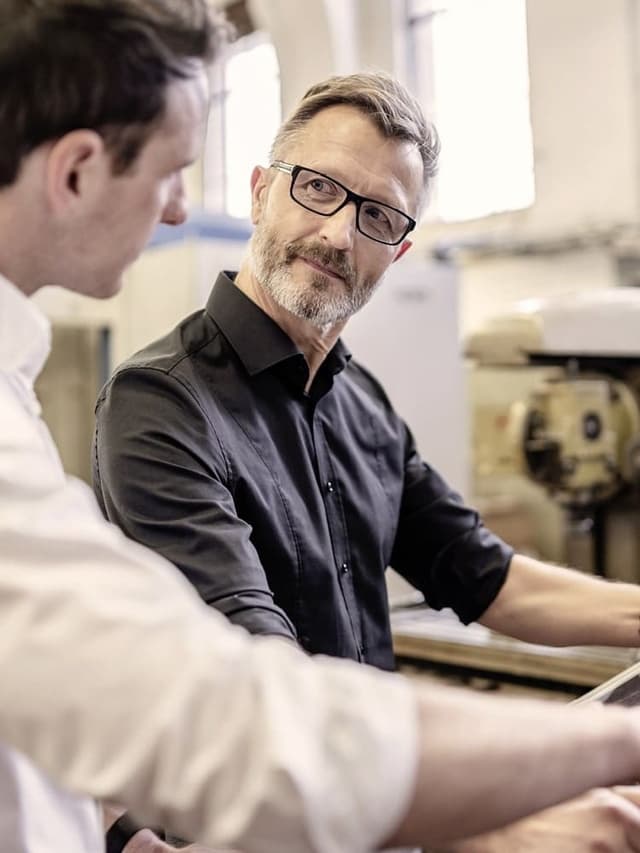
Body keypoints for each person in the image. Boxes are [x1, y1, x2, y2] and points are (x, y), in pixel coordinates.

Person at [6, 4, 640, 853]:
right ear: (262, 192)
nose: (339, 232)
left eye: (378, 216)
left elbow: (485, 576)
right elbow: (257, 691)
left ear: (400, 249)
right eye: (318, 188)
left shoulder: (361, 401)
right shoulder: (160, 402)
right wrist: (494, 815)